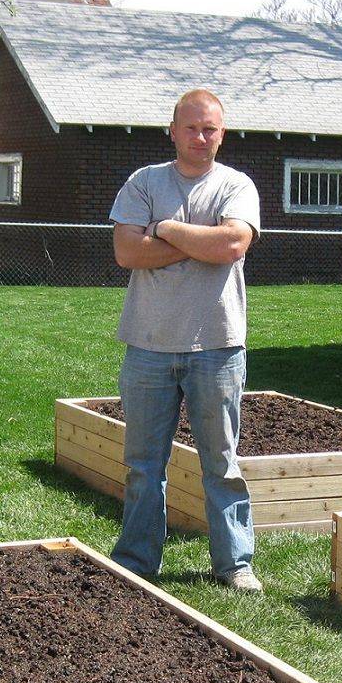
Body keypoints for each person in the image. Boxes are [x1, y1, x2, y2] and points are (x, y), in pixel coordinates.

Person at [107, 88, 262, 592]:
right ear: (172, 131)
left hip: (217, 347)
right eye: (191, 127)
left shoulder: (236, 186)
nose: (200, 136)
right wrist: (202, 243)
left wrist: (169, 229)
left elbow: (234, 243)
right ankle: (136, 561)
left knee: (221, 464)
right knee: (143, 465)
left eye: (210, 128)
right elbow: (128, 252)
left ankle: (235, 565)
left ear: (222, 133)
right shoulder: (143, 181)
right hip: (148, 346)